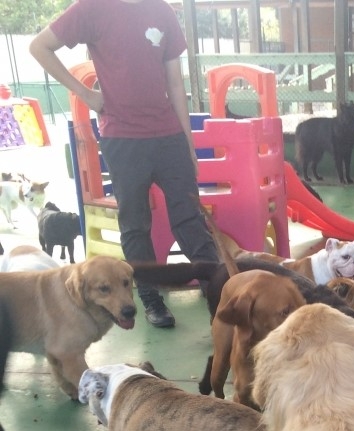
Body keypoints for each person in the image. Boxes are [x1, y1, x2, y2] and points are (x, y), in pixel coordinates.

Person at [30, 0, 219, 328]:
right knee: (135, 224)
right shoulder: (91, 9)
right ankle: (149, 299)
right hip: (123, 138)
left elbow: (176, 83)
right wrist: (86, 94)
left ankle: (217, 289)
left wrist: (188, 142)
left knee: (189, 218)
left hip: (169, 134)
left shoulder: (162, 11)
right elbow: (39, 46)